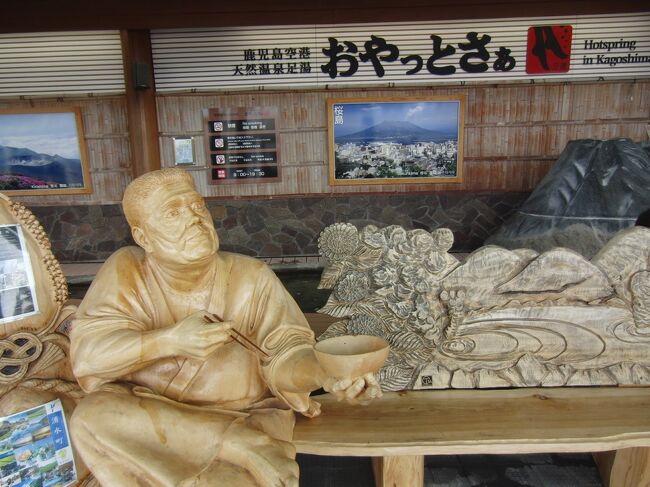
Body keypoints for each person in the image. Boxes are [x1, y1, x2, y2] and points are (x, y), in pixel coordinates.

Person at [69, 168, 380, 486]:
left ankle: (244, 444)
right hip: (151, 420)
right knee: (92, 415)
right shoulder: (127, 270)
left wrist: (325, 374)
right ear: (143, 237)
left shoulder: (251, 277)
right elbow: (89, 358)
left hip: (243, 415)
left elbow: (286, 353)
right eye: (173, 213)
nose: (194, 218)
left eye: (196, 206)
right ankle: (244, 447)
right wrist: (170, 341)